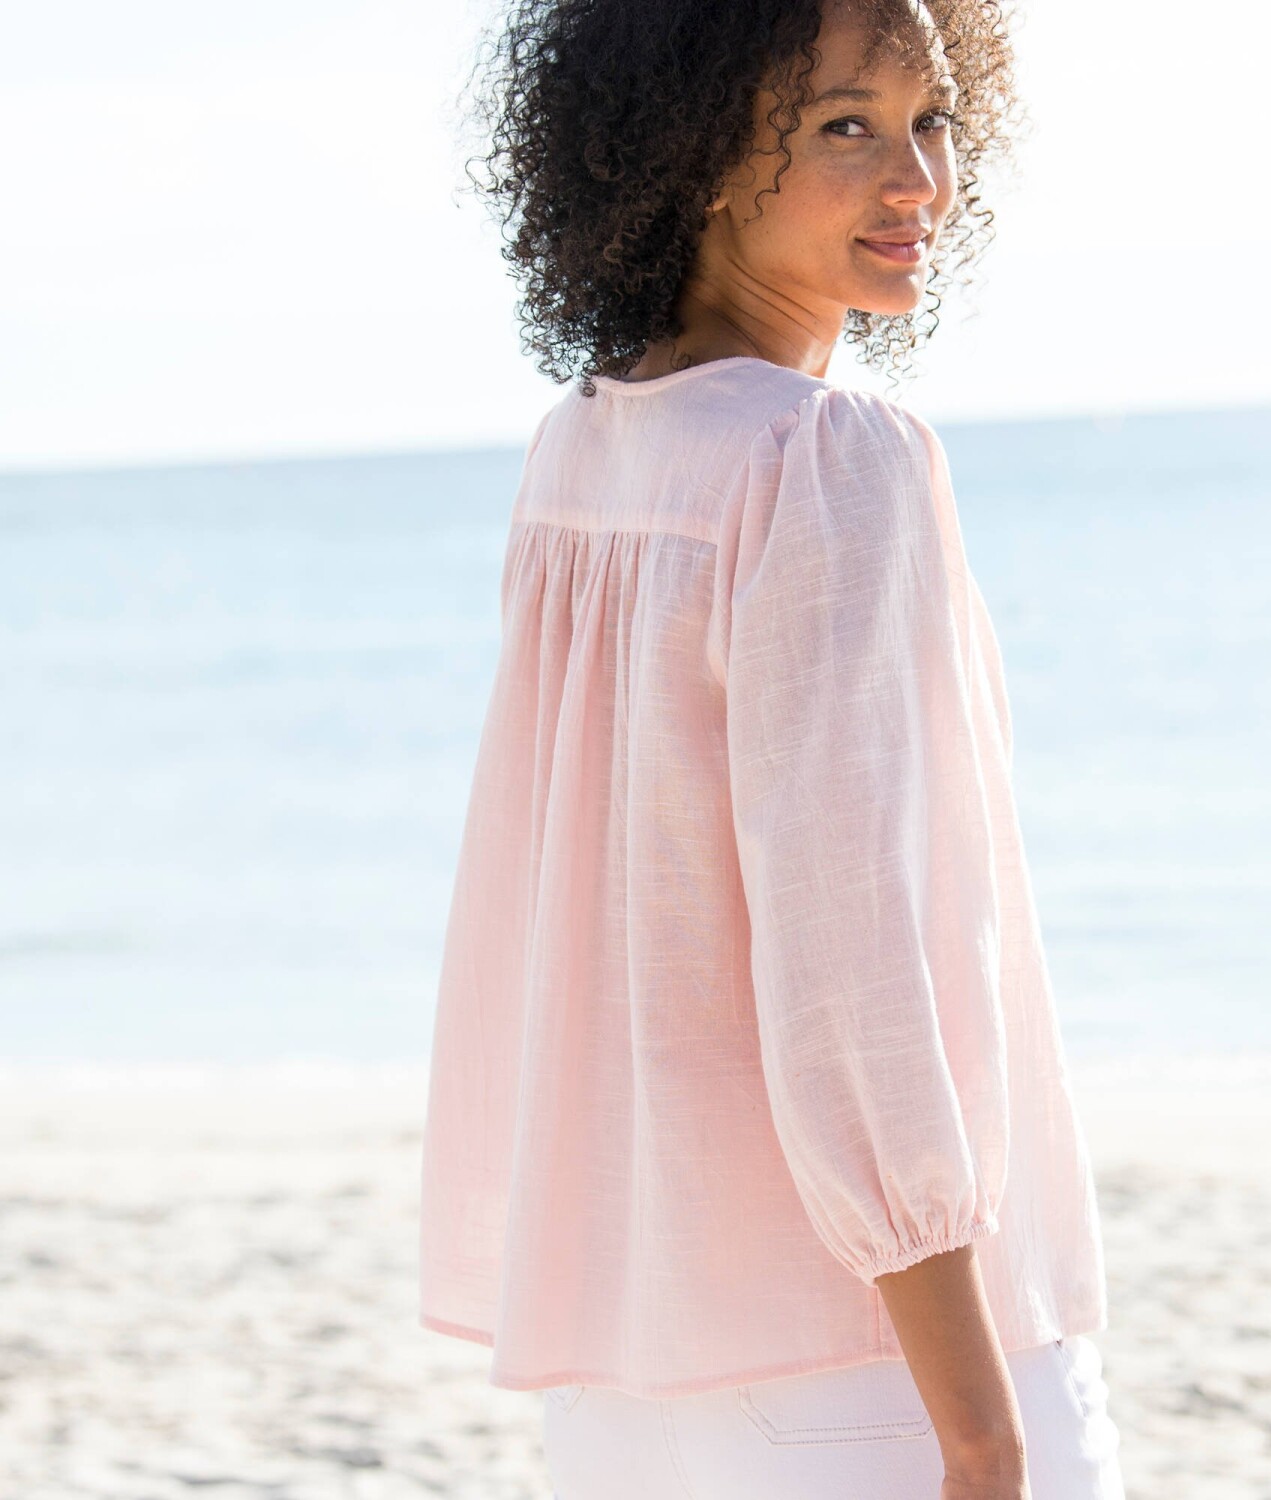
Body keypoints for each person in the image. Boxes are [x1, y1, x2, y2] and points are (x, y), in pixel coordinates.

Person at [418, 0, 1127, 1495]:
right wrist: (982, 1428)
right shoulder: (827, 457)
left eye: (933, 120)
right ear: (689, 151)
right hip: (866, 1368)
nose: (919, 179)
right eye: (843, 125)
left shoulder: (582, 452)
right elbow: (854, 968)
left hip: (630, 1377)